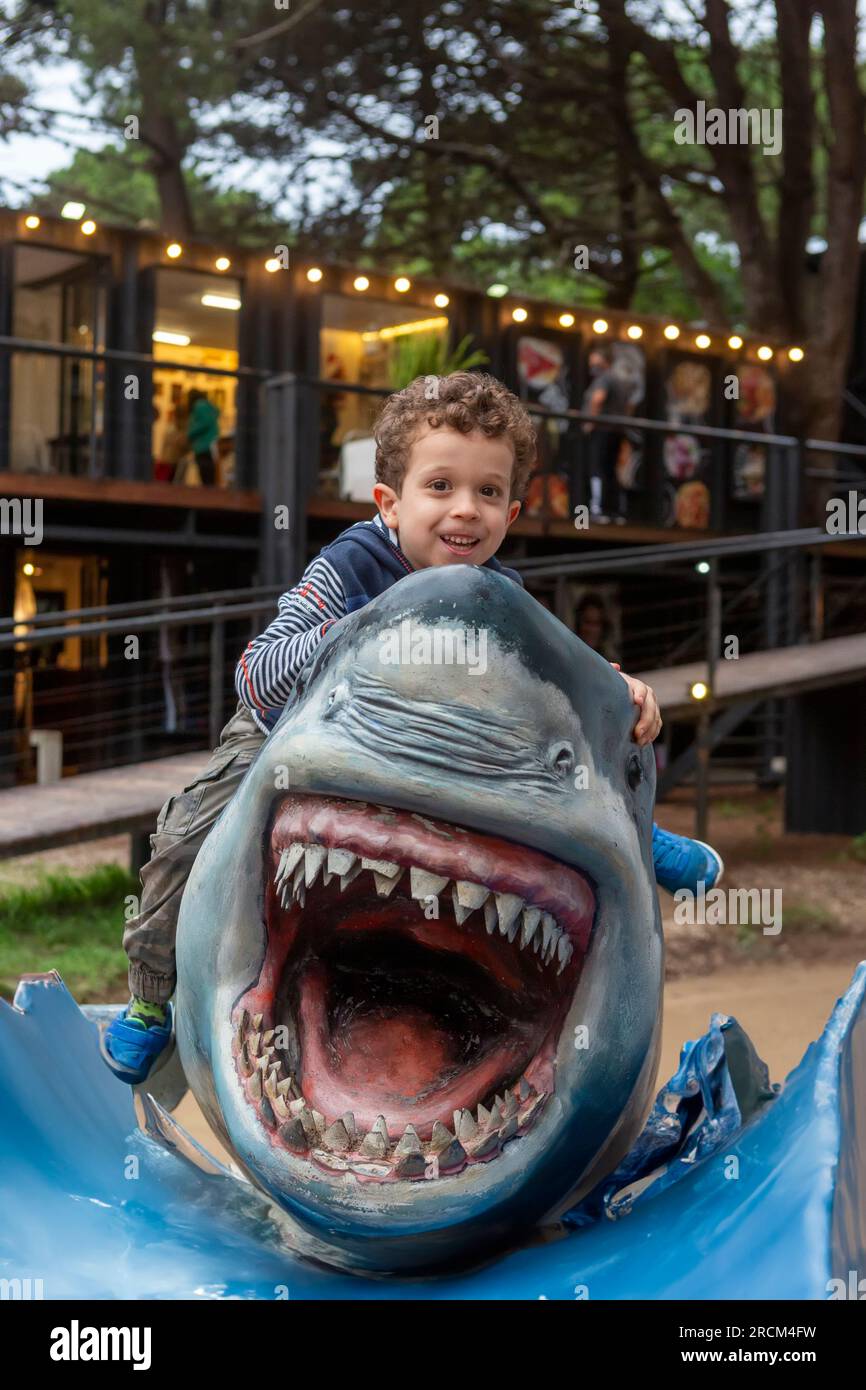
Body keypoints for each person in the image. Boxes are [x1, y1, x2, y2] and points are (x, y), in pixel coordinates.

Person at [104, 371, 723, 1082]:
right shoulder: (350, 566)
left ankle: (638, 840)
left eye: (488, 493)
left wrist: (620, 690)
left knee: (563, 760)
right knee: (186, 829)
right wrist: (369, 634)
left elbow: (564, 679)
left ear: (512, 511)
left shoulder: (499, 596)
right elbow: (258, 670)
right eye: (440, 487)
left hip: (445, 752)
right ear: (389, 503)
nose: (466, 511)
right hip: (300, 736)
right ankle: (151, 996)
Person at [582, 344, 629, 524]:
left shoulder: (604, 379)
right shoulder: (620, 380)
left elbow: (597, 399)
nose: (592, 365)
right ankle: (615, 510)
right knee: (611, 470)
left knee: (597, 468)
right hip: (617, 430)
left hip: (602, 429)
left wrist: (589, 422)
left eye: (595, 361)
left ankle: (597, 508)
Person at [186, 389, 220, 487]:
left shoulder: (199, 405)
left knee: (206, 476)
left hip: (203, 445)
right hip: (210, 445)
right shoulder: (207, 405)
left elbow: (205, 421)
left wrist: (190, 433)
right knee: (209, 476)